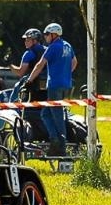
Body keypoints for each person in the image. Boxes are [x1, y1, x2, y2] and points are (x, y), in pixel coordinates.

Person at [24, 22, 78, 155]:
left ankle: (61, 147)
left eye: (47, 34)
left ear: (54, 35)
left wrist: (29, 80)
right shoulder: (67, 45)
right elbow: (74, 62)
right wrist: (66, 74)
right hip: (66, 85)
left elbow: (40, 65)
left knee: (57, 116)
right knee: (45, 114)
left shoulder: (53, 47)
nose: (45, 36)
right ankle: (54, 140)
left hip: (54, 86)